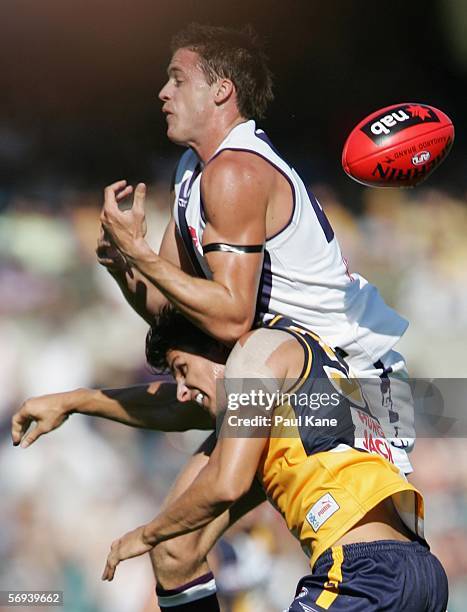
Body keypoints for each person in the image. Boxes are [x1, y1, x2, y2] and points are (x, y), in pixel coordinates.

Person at [13, 22, 414, 612]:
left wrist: (144, 256)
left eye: (177, 78)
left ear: (222, 90)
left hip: (351, 377)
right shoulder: (193, 175)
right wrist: (126, 265)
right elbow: (171, 319)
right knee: (175, 550)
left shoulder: (236, 172)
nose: (163, 93)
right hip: (285, 365)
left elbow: (227, 320)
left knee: (360, 541)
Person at [101, 308, 448, 611]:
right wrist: (77, 402)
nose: (182, 390)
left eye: (182, 369)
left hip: (362, 573)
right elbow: (170, 410)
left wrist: (147, 534)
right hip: (420, 571)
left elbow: (225, 483)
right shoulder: (308, 375)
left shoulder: (257, 355)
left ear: (218, 350)